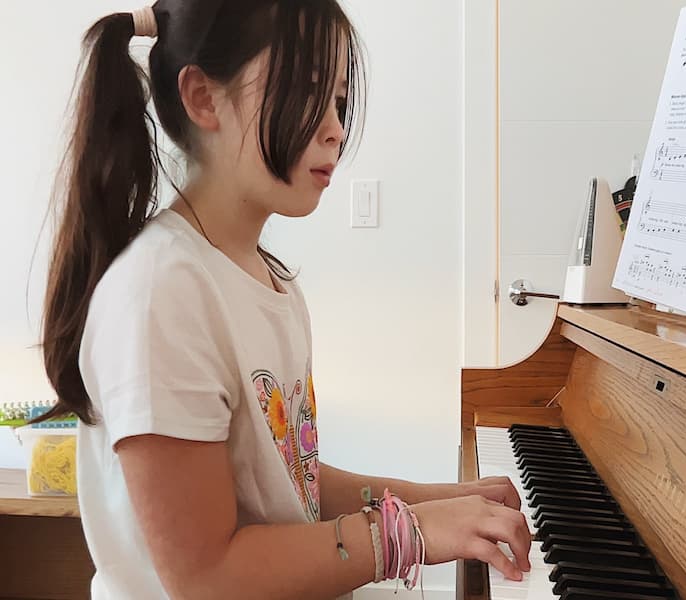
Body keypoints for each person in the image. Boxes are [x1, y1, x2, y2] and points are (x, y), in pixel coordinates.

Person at [39, 1, 531, 598]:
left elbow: (288, 486)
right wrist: (411, 532)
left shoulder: (272, 282)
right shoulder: (161, 293)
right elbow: (206, 576)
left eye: (340, 101)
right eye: (307, 93)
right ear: (202, 97)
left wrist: (441, 499)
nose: (336, 129)